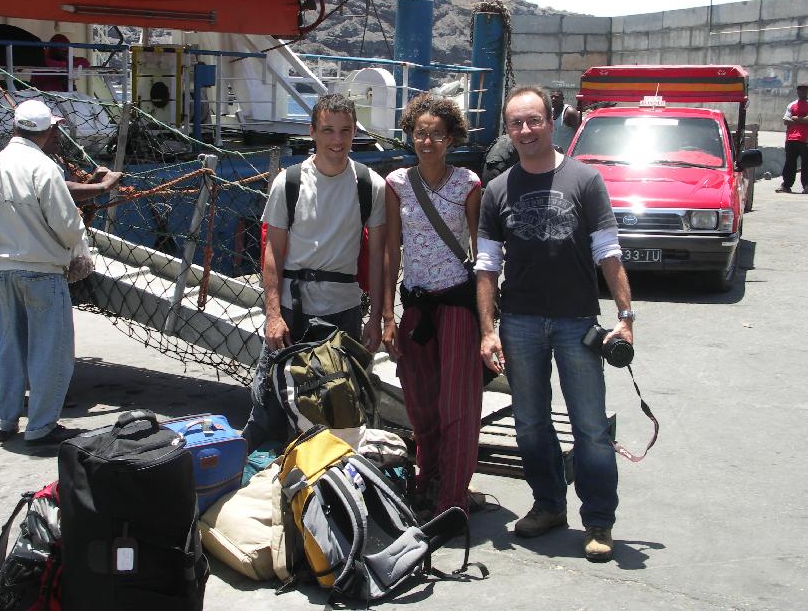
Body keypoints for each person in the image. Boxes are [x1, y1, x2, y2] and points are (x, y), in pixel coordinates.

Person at [475, 86, 634, 563]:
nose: (526, 131)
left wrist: (625, 318)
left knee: (590, 427)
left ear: (551, 121)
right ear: (508, 130)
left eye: (534, 121)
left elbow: (608, 251)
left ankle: (599, 521)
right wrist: (488, 329)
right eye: (516, 124)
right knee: (530, 423)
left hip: (576, 322)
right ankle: (548, 506)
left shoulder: (586, 181)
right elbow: (485, 266)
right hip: (519, 324)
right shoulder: (498, 190)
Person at [242, 93, 386, 450]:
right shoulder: (287, 183)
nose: (337, 140)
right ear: (313, 132)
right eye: (328, 130)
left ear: (354, 133)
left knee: (339, 406)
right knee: (270, 404)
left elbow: (380, 257)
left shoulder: (371, 186)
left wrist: (378, 319)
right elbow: (272, 253)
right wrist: (272, 315)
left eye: (345, 131)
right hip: (292, 311)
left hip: (343, 311)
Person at [382, 93, 483, 516]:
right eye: (420, 133)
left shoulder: (468, 184)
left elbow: (483, 253)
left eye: (436, 135)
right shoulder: (397, 184)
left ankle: (451, 498)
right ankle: (427, 475)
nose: (427, 142)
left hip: (458, 305)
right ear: (410, 135)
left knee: (457, 404)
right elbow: (391, 249)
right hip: (416, 307)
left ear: (451, 138)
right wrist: (386, 313)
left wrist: (490, 320)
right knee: (420, 400)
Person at [0, 100, 87, 445]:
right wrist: (78, 246)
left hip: (5, 268)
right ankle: (41, 427)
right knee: (51, 351)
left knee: (10, 346)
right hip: (41, 270)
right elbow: (66, 224)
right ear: (48, 130)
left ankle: (2, 419)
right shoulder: (44, 168)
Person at [41, 117, 122, 200]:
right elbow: (63, 191)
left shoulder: (55, 159)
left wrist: (94, 179)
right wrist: (105, 186)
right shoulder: (35, 164)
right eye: (51, 129)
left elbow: (72, 199)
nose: (57, 134)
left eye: (57, 128)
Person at [776, 83, 808, 194]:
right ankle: (786, 185)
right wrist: (802, 119)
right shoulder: (792, 105)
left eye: (804, 90)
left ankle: (806, 186)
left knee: (806, 163)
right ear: (797, 91)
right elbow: (785, 120)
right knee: (790, 163)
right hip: (791, 139)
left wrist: (795, 118)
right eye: (800, 90)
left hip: (805, 140)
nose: (802, 92)